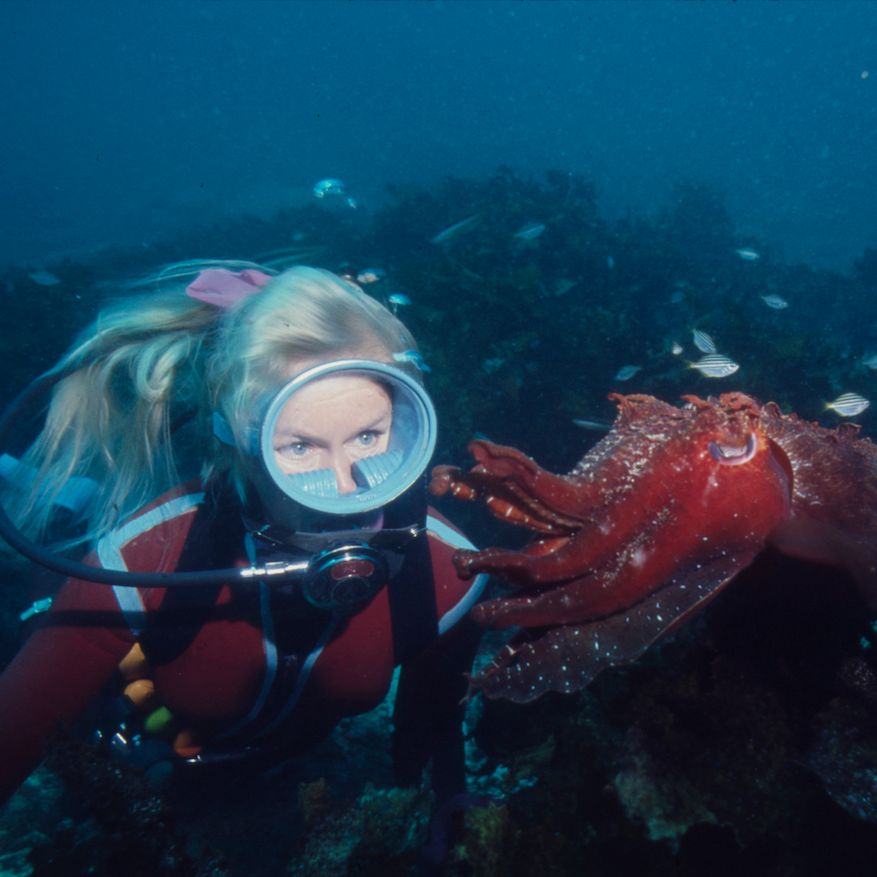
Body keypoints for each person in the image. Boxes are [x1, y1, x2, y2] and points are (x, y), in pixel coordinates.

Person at [0, 263, 486, 815]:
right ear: (238, 442)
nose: (346, 489)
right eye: (299, 448)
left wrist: (446, 804)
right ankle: (48, 488)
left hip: (277, 771)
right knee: (62, 538)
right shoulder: (146, 559)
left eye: (370, 436)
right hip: (145, 748)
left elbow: (435, 717)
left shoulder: (452, 570)